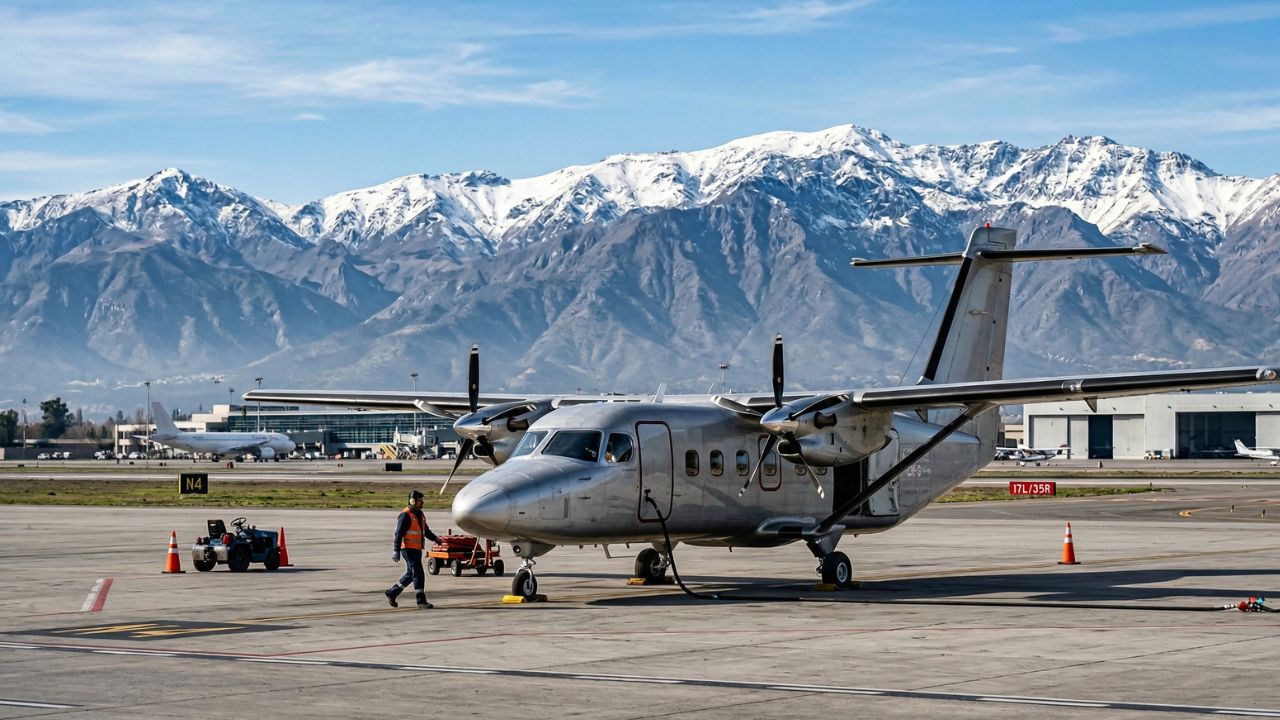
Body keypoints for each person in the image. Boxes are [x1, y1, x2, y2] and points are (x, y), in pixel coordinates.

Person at [385, 489, 441, 609]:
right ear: (413, 501)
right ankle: (420, 601)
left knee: (411, 574)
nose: (423, 503)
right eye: (420, 501)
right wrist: (396, 550)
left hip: (416, 549)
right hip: (407, 549)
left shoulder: (420, 514)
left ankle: (392, 592)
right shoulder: (405, 515)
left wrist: (435, 539)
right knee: (418, 573)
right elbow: (398, 534)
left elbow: (425, 531)